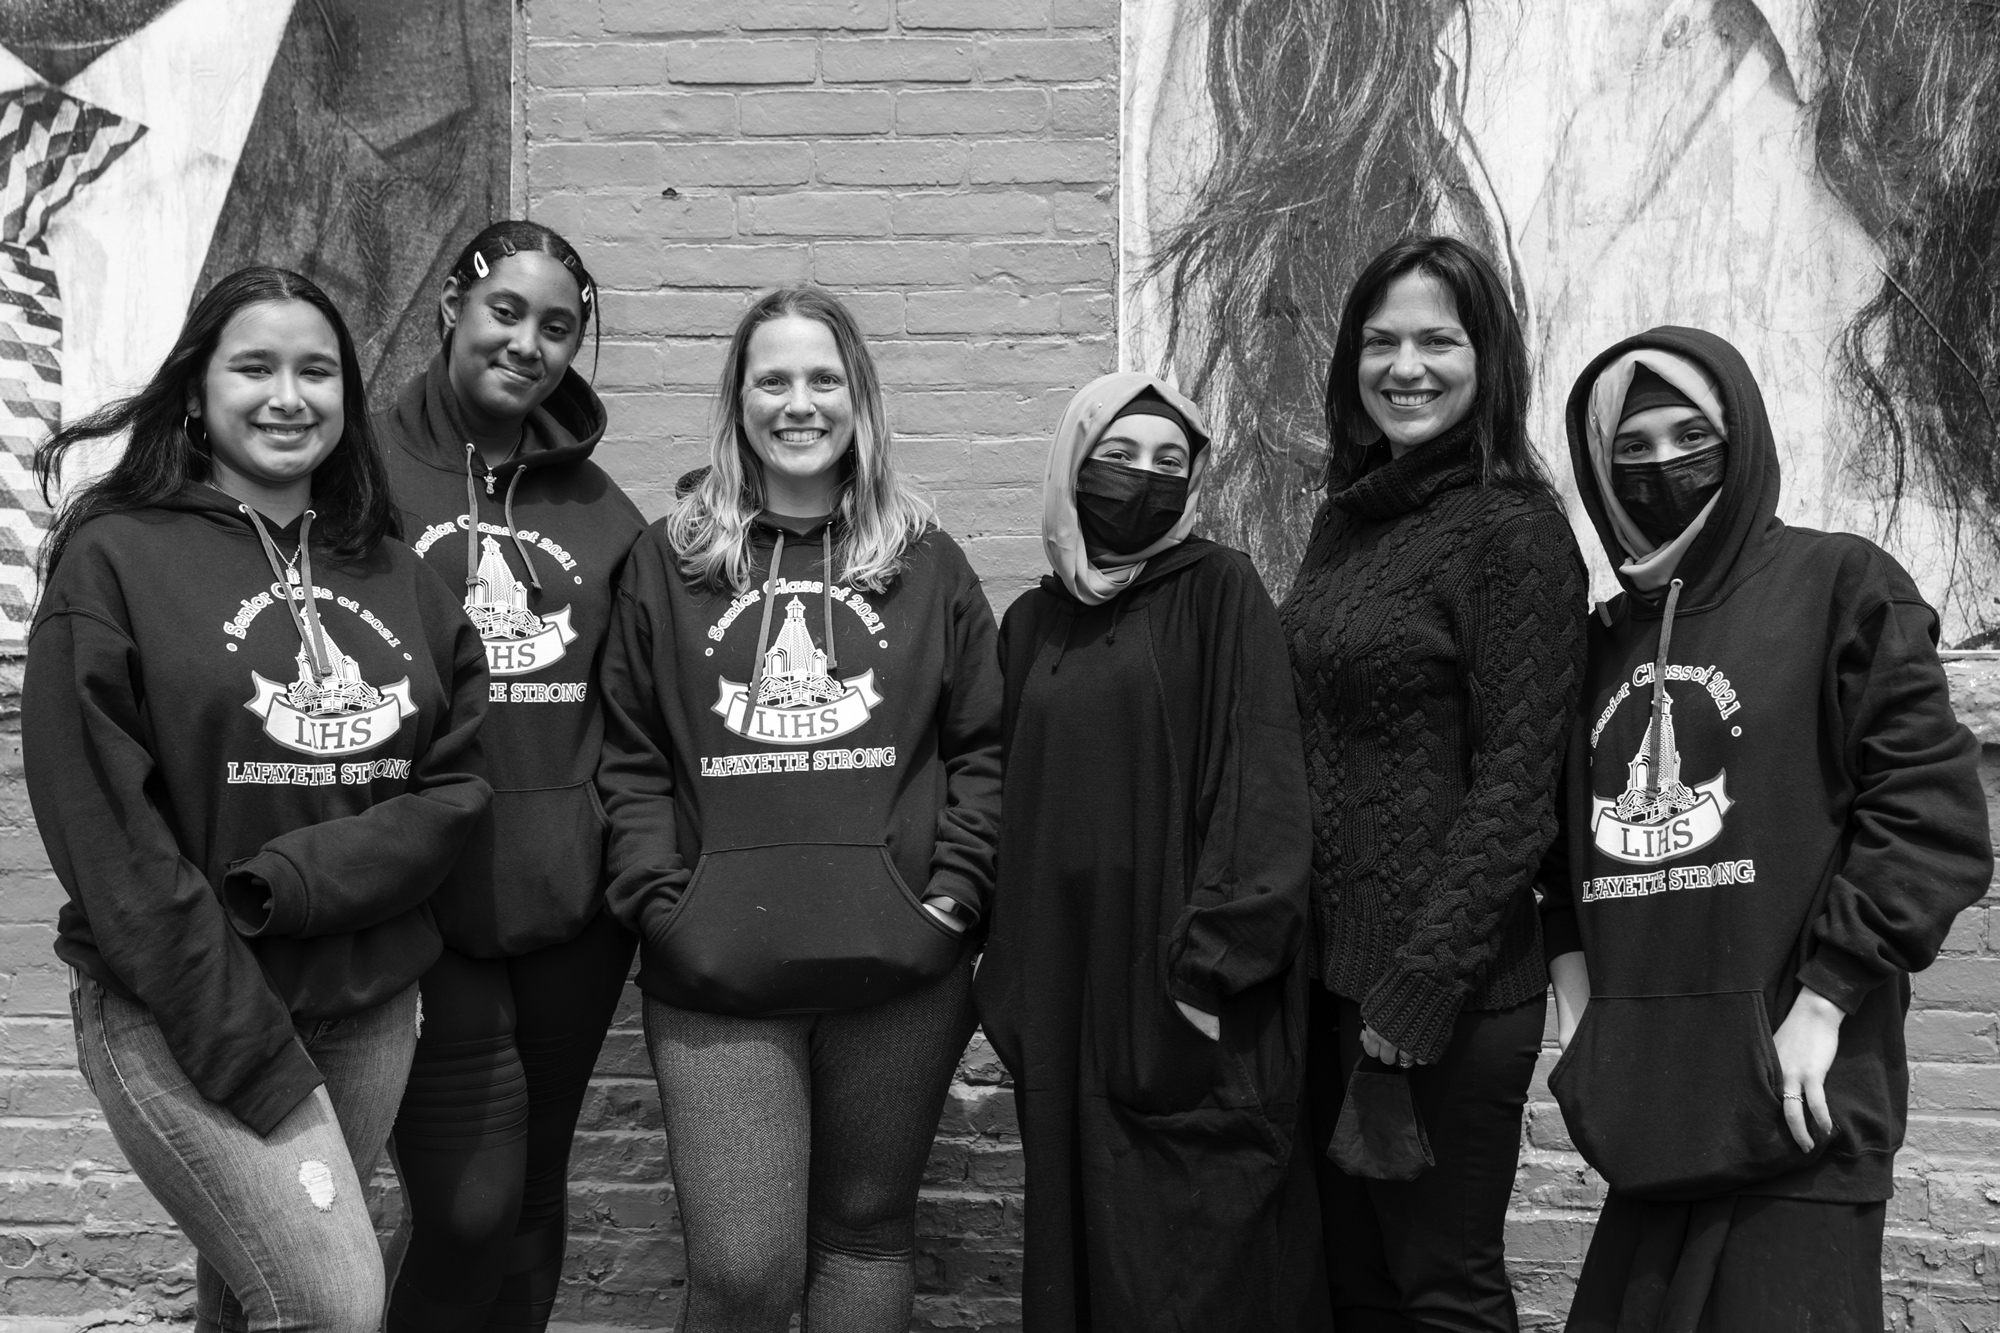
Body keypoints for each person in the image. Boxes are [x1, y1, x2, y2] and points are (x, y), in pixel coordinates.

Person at [22, 265, 490, 1332]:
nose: (289, 396)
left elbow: (455, 785)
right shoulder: (116, 559)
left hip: (367, 1005)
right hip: (179, 1008)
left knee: (254, 1294)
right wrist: (243, 1038)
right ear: (196, 391)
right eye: (255, 367)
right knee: (331, 1298)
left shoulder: (394, 569)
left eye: (316, 370)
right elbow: (108, 834)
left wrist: (290, 881)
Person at [1541, 327, 1992, 1332]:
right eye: (1631, 446)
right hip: (1644, 1120)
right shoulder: (1596, 640)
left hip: (1802, 1115)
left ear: (1737, 435)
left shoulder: (1840, 586)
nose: (1661, 463)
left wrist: (1825, 1001)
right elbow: (1544, 841)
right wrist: (1579, 1009)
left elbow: (1931, 817)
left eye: (1689, 434)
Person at [594, 286, 1004, 1332]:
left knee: (865, 1235)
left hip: (900, 966)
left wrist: (951, 896)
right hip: (718, 968)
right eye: (771, 379)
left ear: (858, 398)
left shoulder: (926, 562)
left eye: (822, 378)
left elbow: (984, 750)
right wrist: (659, 901)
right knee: (741, 1269)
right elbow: (629, 754)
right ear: (736, 402)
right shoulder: (672, 559)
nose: (798, 402)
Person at [1280, 235, 1588, 1331]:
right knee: (1351, 1288)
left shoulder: (1511, 530)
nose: (1403, 366)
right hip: (1327, 986)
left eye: (1435, 340)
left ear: (1484, 359)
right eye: (1379, 342)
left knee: (1443, 1292)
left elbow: (1516, 786)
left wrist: (1416, 990)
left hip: (1440, 1002)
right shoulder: (1350, 521)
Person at [974, 373, 1324, 1331]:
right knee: (1080, 1263)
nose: (1144, 479)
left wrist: (1210, 969)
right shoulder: (1031, 624)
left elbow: (1261, 786)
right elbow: (1005, 802)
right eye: (1118, 456)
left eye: (1171, 462)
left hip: (1186, 1001)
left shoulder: (1219, 589)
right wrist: (1005, 984)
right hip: (1063, 1004)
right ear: (1072, 469)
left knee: (1194, 1272)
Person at [376, 220, 645, 1332]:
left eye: (558, 327)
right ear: (452, 307)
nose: (529, 343)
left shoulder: (602, 509)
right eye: (507, 312)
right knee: (467, 1205)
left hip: (568, 912)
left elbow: (636, 706)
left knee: (534, 1195)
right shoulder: (365, 474)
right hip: (419, 910)